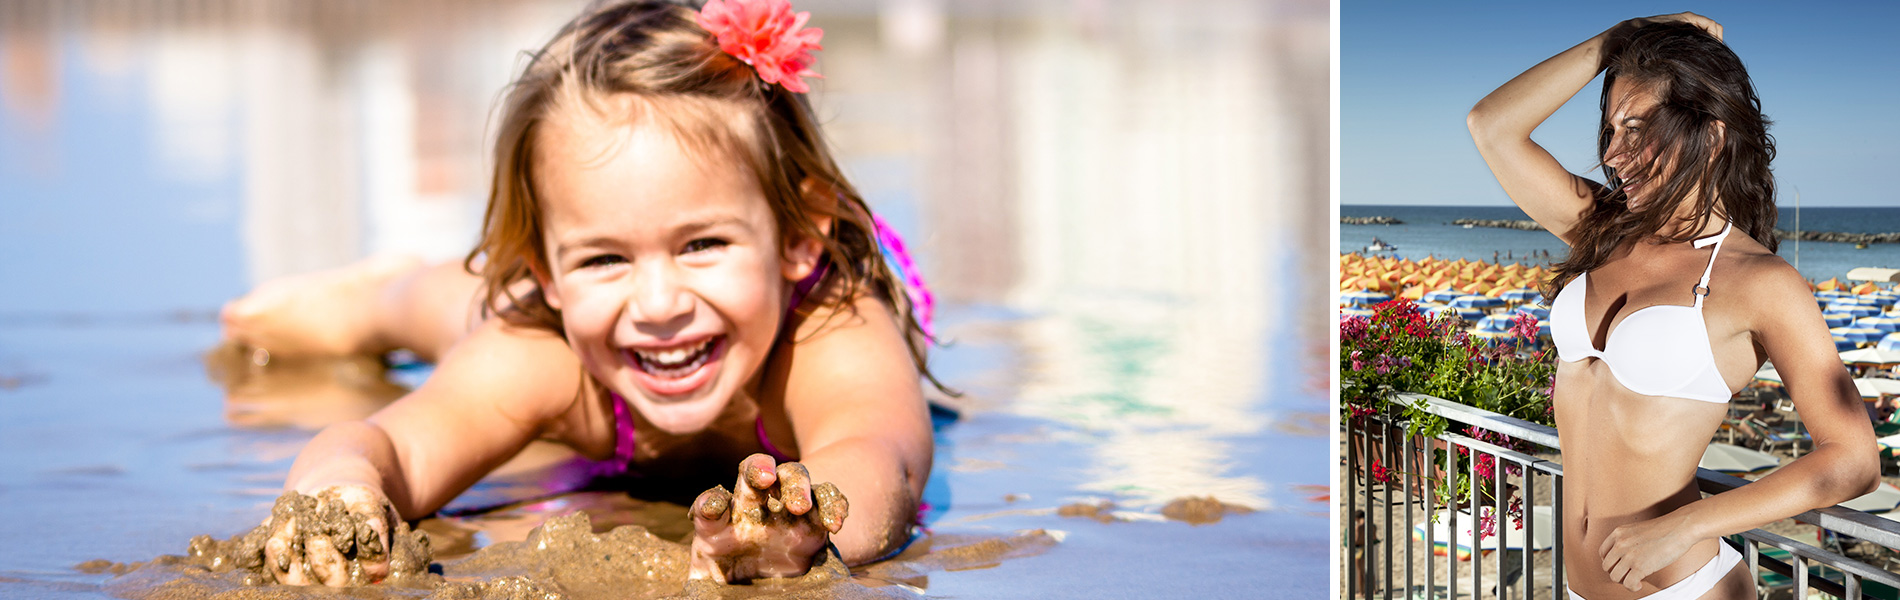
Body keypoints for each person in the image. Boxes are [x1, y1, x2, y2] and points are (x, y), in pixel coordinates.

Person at [219, 0, 941, 586]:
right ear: (546, 270)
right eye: (604, 257)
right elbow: (391, 448)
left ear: (796, 237)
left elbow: (880, 457)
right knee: (456, 309)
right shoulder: (545, 344)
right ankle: (378, 294)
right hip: (534, 320)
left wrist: (804, 529)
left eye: (703, 245)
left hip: (742, 303)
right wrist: (341, 489)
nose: (658, 304)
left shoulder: (830, 330)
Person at [1467, 13, 1877, 600]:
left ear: (1710, 137)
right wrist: (1620, 38)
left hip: (1681, 587)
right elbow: (1491, 126)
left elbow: (1855, 459)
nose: (1614, 153)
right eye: (1611, 130)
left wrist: (1689, 524)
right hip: (1579, 586)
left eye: (1636, 128)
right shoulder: (1602, 230)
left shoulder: (1758, 281)